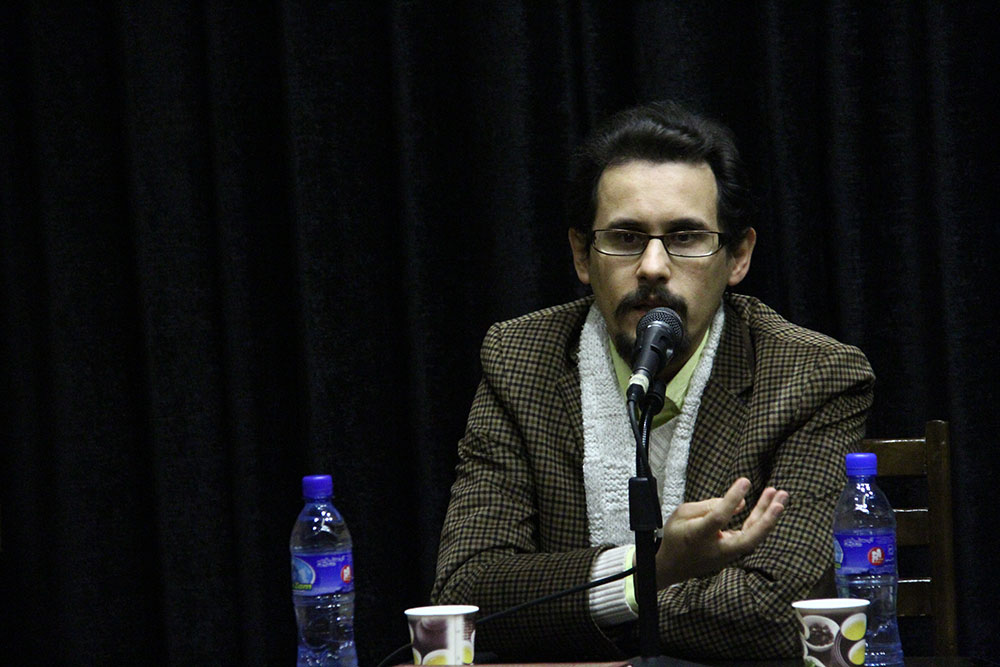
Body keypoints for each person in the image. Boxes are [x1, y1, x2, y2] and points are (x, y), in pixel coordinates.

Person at [430, 101, 875, 661]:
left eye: (686, 237)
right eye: (625, 237)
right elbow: (467, 596)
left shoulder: (810, 374)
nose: (653, 267)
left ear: (738, 256)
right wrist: (654, 569)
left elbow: (776, 612)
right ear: (582, 255)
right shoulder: (522, 360)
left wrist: (588, 604)